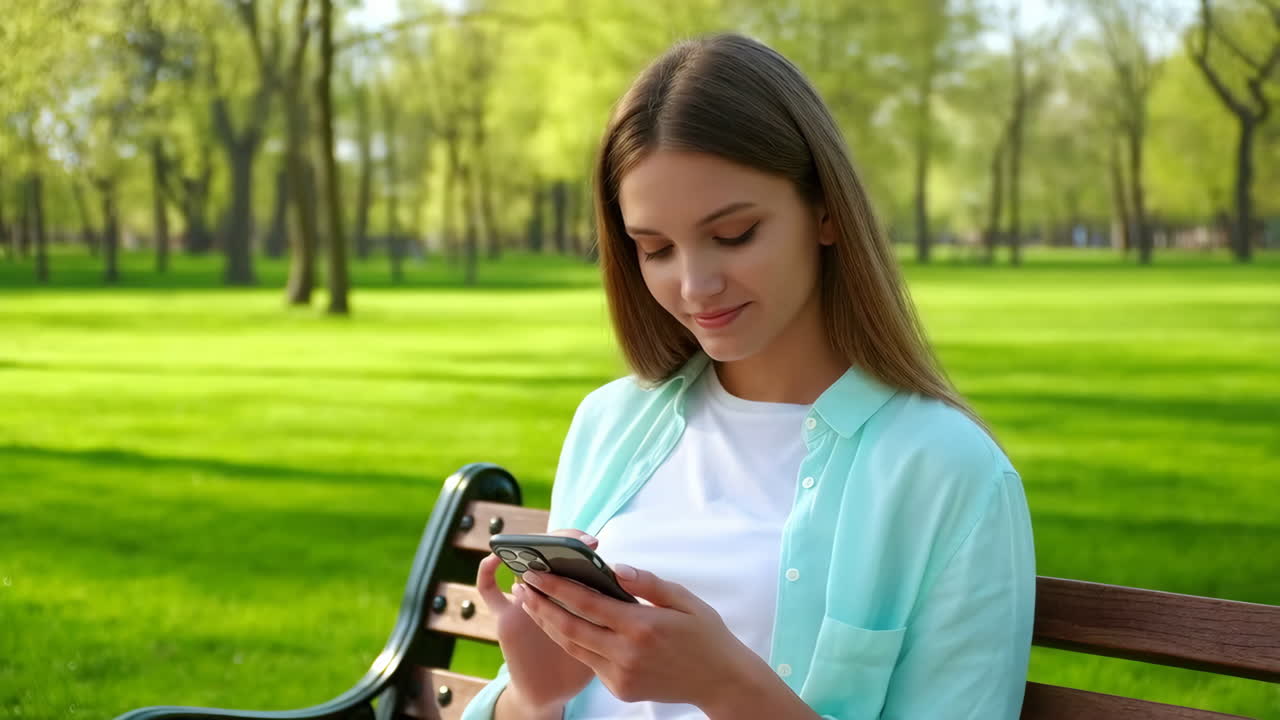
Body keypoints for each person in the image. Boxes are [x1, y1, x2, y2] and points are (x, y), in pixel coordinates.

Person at [464, 32, 1035, 720]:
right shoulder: (609, 424)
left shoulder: (948, 473)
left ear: (825, 210)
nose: (696, 285)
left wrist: (724, 686)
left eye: (733, 235)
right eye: (656, 249)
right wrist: (536, 694)